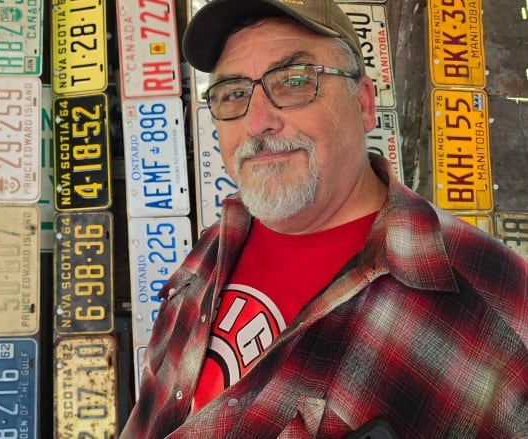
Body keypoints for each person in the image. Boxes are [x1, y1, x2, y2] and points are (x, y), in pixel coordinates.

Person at [120, 0, 528, 437]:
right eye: (234, 93)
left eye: (295, 81)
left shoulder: (498, 308)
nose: (258, 122)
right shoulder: (216, 244)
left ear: (365, 104)